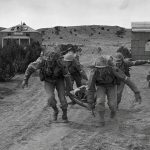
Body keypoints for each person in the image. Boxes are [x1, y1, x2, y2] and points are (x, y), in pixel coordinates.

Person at [87, 55, 142, 126]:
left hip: (111, 86)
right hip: (100, 86)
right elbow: (90, 88)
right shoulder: (94, 72)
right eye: (99, 68)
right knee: (100, 101)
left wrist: (136, 91)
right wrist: (90, 101)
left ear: (107, 66)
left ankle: (113, 111)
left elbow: (126, 79)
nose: (101, 70)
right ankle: (101, 120)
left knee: (112, 104)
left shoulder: (113, 69)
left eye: (103, 68)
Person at [22, 51, 73, 122]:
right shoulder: (41, 62)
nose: (50, 62)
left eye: (52, 61)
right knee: (50, 98)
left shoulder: (60, 63)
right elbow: (30, 68)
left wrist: (69, 89)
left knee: (62, 98)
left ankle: (64, 115)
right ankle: (55, 111)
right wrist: (25, 80)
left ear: (56, 60)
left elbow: (67, 76)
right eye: (49, 60)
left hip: (59, 80)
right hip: (48, 81)